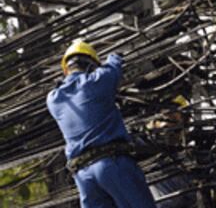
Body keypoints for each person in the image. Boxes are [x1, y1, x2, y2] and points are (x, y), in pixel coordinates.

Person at [46, 39, 156, 208]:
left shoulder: (53, 99)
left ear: (66, 70)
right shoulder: (98, 81)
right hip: (112, 164)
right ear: (91, 66)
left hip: (83, 177)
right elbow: (114, 64)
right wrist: (114, 55)